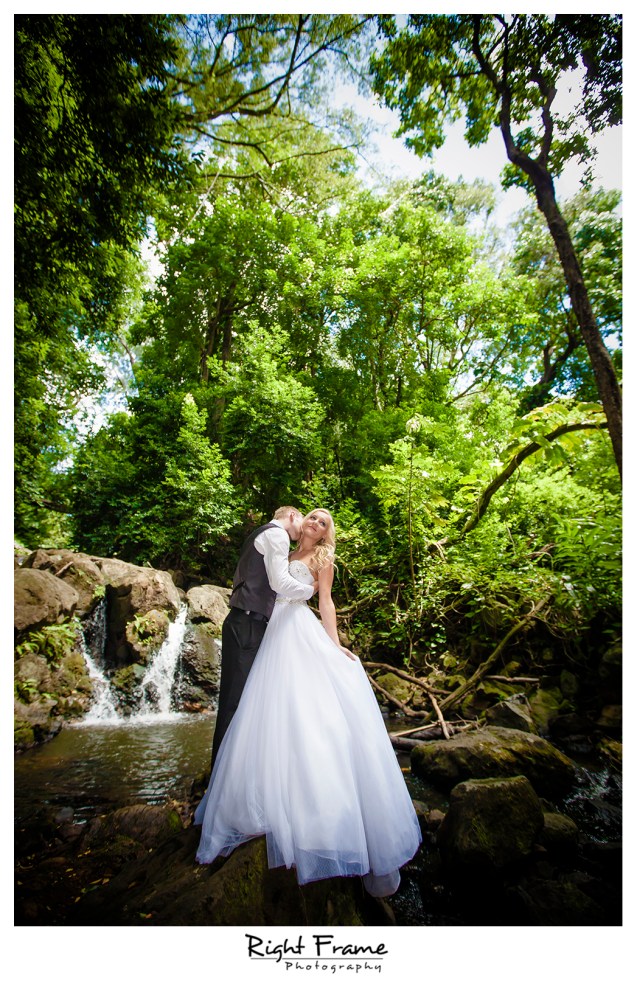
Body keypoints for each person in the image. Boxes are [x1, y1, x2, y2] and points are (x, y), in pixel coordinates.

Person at [194, 508, 422, 898]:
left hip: (298, 629)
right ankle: (262, 800)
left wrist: (334, 648)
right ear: (301, 525)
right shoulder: (281, 550)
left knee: (307, 714)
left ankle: (317, 816)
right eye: (313, 518)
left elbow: (327, 603)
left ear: (326, 533)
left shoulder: (322, 559)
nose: (316, 523)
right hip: (272, 633)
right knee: (266, 713)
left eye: (323, 522)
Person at [209, 506, 318, 769]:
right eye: (303, 520)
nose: (302, 528)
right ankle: (221, 773)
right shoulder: (277, 535)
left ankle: (234, 768)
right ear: (292, 516)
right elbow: (279, 582)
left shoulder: (260, 534)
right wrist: (309, 590)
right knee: (234, 702)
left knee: (244, 699)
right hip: (247, 623)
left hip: (247, 621)